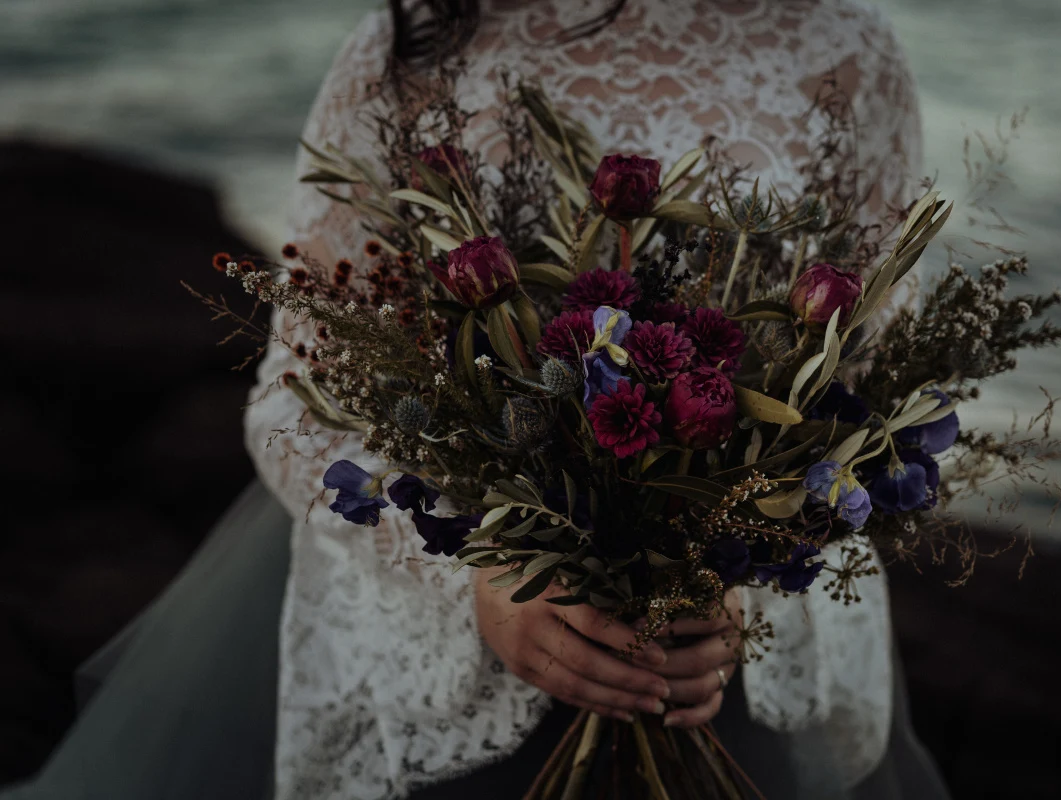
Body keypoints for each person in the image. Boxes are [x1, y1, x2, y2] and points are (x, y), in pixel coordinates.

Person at [0, 2, 951, 799]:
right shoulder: (409, 51)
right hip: (442, 644)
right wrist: (477, 577)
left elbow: (860, 390)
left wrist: (741, 568)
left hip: (711, 654)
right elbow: (297, 394)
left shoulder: (847, 51)